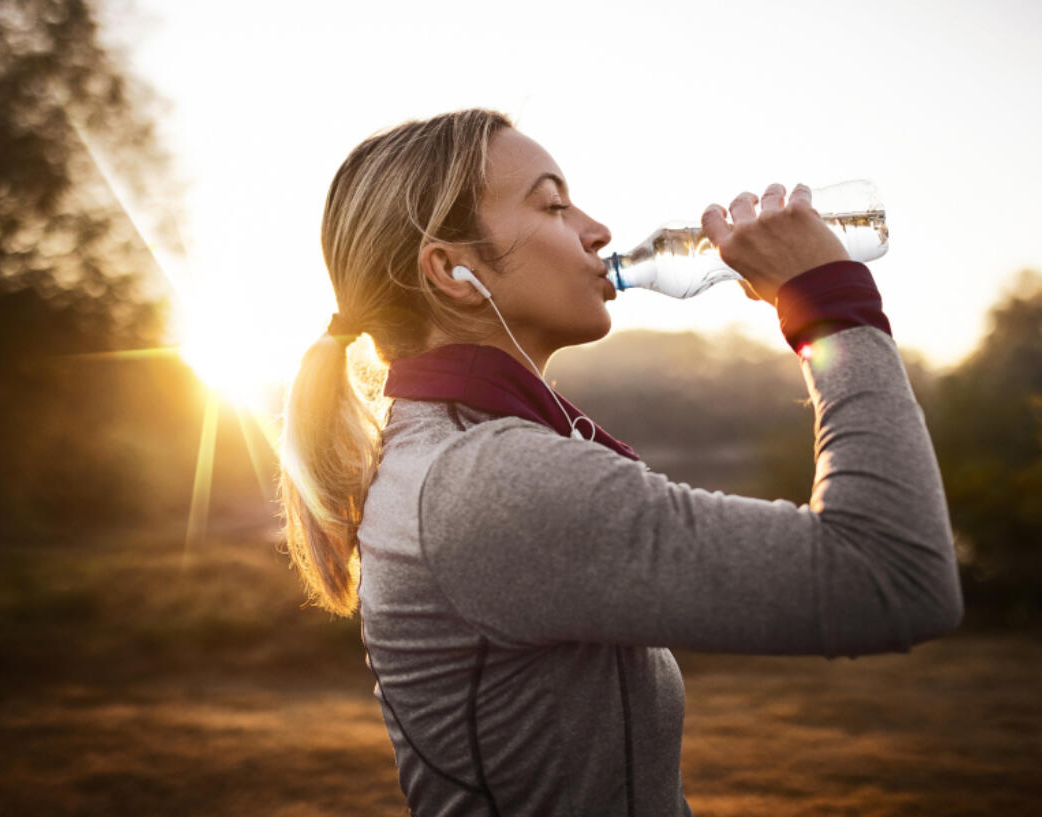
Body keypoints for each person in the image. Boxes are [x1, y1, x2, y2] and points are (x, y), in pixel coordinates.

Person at [279, 108, 963, 817]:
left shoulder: (462, 451)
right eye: (552, 203)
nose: (597, 229)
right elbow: (893, 573)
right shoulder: (487, 478)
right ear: (455, 270)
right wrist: (829, 301)